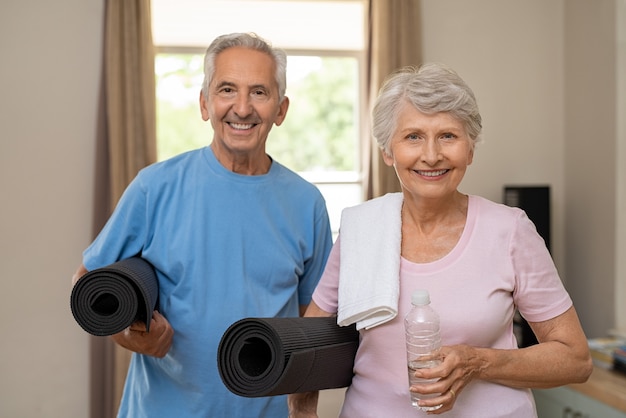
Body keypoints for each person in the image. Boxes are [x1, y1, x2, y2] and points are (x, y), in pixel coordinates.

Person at [288, 63, 592, 417]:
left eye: (448, 135)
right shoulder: (360, 230)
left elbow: (575, 358)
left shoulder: (510, 231)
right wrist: (303, 411)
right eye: (413, 136)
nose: (431, 155)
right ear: (388, 151)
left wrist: (477, 361)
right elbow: (309, 344)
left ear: (471, 149)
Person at [72, 32, 333, 417]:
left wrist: (305, 409)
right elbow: (86, 283)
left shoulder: (307, 203)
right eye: (227, 89)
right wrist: (130, 338)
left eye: (259, 92)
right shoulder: (153, 187)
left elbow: (317, 321)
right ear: (205, 103)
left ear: (281, 109)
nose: (242, 108)